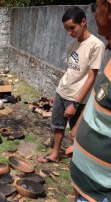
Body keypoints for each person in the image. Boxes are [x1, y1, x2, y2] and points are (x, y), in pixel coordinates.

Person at [38, 6, 105, 163]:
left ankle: (79, 163)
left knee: (77, 133)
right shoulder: (73, 44)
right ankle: (55, 154)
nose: (69, 32)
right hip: (62, 92)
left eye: (72, 28)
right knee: (57, 126)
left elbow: (91, 77)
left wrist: (75, 104)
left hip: (77, 98)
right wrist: (57, 93)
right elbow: (70, 71)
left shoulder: (96, 45)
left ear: (83, 21)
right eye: (67, 29)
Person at [71, 1, 111, 201]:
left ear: (109, 9)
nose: (95, 13)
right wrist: (79, 130)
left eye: (97, 7)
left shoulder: (95, 45)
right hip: (87, 187)